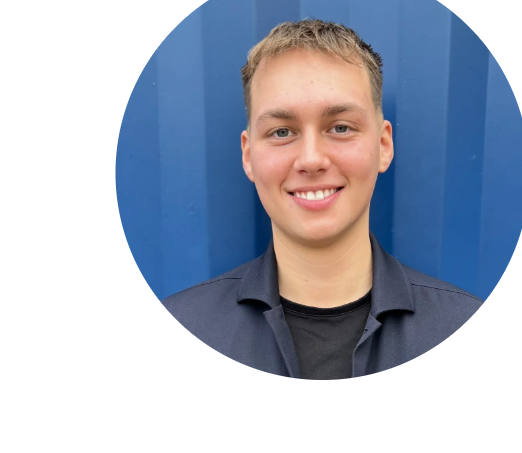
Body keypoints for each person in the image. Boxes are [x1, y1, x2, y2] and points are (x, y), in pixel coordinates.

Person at [162, 19, 482, 378]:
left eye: (341, 127)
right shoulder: (186, 323)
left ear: (383, 145)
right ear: (249, 156)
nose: (311, 159)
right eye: (282, 132)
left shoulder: (459, 322)